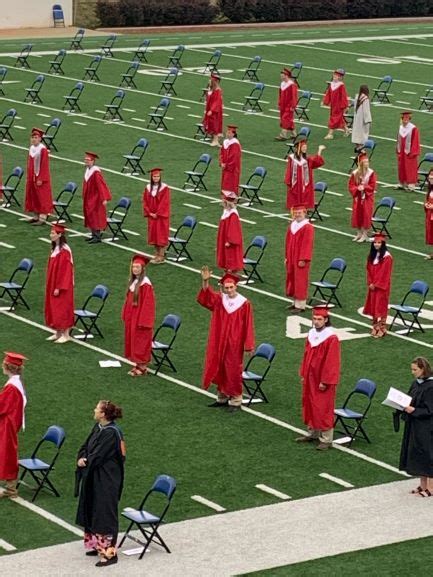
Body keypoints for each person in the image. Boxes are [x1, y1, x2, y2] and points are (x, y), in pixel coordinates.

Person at [197, 268, 255, 412]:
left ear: (236, 286)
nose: (229, 290)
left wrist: (248, 345)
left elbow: (248, 325)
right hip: (218, 340)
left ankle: (236, 399)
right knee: (220, 367)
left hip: (234, 343)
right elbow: (205, 298)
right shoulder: (220, 300)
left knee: (233, 369)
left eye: (231, 287)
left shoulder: (244, 303)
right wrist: (205, 281)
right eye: (226, 288)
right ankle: (222, 397)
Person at [75, 400, 125, 567]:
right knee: (92, 508)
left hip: (107, 479)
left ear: (103, 414)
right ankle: (96, 545)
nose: (94, 410)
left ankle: (109, 553)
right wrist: (81, 457)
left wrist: (86, 461)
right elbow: (86, 446)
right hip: (94, 476)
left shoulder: (111, 433)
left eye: (97, 409)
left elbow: (98, 455)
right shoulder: (99, 428)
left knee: (104, 513)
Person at [297, 307, 341, 450]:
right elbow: (305, 355)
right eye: (314, 319)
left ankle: (326, 439)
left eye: (319, 319)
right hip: (310, 376)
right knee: (310, 403)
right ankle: (313, 432)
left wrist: (325, 381)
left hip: (321, 379)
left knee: (323, 407)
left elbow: (332, 362)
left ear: (326, 320)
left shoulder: (331, 338)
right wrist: (303, 373)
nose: (316, 322)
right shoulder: (311, 334)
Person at [398, 357, 433, 497]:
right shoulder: (416, 383)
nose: (412, 372)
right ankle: (423, 485)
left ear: (423, 369)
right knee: (417, 453)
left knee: (428, 454)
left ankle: (431, 487)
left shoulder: (431, 387)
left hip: (427, 427)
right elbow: (409, 398)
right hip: (415, 424)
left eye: (415, 369)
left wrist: (414, 411)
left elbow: (430, 410)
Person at [121, 254, 155, 377]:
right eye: (133, 267)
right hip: (133, 316)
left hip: (140, 318)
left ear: (143, 268)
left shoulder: (145, 284)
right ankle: (138, 364)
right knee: (134, 340)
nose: (135, 269)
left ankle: (143, 367)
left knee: (140, 341)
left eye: (137, 267)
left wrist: (143, 321)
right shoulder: (134, 282)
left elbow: (148, 304)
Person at [0, 352, 27, 499]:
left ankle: (11, 489)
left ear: (7, 367)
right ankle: (10, 488)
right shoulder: (15, 383)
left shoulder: (12, 387)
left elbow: (2, 406)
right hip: (9, 423)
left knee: (7, 454)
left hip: (7, 425)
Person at [45, 224, 74, 344]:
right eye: (51, 233)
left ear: (59, 235)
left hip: (62, 286)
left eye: (53, 233)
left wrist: (58, 287)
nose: (51, 235)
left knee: (63, 308)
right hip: (53, 282)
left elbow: (65, 271)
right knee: (54, 307)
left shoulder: (64, 251)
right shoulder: (55, 248)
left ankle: (66, 334)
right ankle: (57, 332)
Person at [363, 233, 393, 338]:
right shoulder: (372, 256)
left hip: (382, 286)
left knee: (381, 306)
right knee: (373, 305)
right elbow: (368, 269)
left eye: (379, 242)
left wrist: (376, 284)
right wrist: (370, 282)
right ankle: (375, 326)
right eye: (375, 242)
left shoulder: (387, 257)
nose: (376, 244)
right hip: (372, 286)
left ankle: (382, 327)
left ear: (383, 244)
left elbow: (384, 273)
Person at [285, 205, 314, 313]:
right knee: (292, 278)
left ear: (304, 213)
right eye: (296, 213)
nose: (297, 215)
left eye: (299, 213)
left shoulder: (308, 227)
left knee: (300, 280)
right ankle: (295, 302)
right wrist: (287, 256)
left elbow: (307, 244)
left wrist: (303, 259)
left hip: (300, 258)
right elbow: (287, 242)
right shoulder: (292, 225)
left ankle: (301, 305)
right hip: (291, 257)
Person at [285, 137, 325, 211]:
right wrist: (288, 181)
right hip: (295, 184)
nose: (305, 149)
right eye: (303, 147)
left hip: (305, 184)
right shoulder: (292, 158)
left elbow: (317, 161)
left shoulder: (307, 159)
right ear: (299, 148)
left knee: (304, 199)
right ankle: (294, 217)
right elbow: (289, 170)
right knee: (294, 200)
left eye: (306, 147)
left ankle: (303, 216)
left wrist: (319, 150)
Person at [25, 127, 53, 225]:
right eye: (32, 137)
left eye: (36, 137)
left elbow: (44, 165)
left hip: (40, 177)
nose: (34, 139)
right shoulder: (32, 148)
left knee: (42, 196)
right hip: (32, 176)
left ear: (40, 138)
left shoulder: (43, 149)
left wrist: (41, 178)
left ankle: (43, 217)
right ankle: (35, 215)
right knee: (33, 196)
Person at [82, 152, 112, 244]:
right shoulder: (88, 170)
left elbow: (101, 186)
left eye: (88, 160)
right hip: (89, 197)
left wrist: (104, 198)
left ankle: (97, 236)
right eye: (85, 160)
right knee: (90, 215)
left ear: (93, 161)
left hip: (96, 198)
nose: (86, 161)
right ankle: (93, 234)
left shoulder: (96, 173)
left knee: (95, 216)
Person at [143, 168, 170, 264]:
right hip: (152, 216)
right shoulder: (148, 188)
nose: (156, 178)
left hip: (161, 217)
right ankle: (156, 254)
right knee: (154, 236)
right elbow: (145, 201)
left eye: (158, 176)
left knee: (161, 236)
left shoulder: (164, 188)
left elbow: (164, 203)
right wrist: (149, 212)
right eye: (154, 176)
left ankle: (161, 256)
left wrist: (157, 213)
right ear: (151, 177)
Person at [348, 153, 377, 242]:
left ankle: (365, 234)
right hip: (358, 197)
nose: (367, 164)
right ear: (361, 163)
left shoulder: (371, 173)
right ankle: (359, 233)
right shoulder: (355, 173)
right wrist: (357, 188)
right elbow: (351, 185)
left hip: (367, 198)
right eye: (365, 162)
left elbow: (373, 185)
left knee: (366, 215)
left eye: (367, 162)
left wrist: (364, 187)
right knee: (357, 215)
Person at [216, 191, 244, 273]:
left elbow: (234, 229)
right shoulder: (227, 211)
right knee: (225, 260)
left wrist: (229, 241)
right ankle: (226, 276)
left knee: (230, 260)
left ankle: (230, 277)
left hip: (230, 242)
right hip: (224, 239)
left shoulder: (233, 214)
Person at [322, 69, 350, 140]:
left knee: (334, 118)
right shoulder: (332, 84)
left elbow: (344, 96)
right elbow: (328, 94)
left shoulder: (341, 85)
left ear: (340, 77)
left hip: (339, 105)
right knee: (339, 119)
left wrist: (345, 106)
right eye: (334, 75)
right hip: (333, 105)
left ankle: (330, 134)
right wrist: (325, 101)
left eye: (336, 75)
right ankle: (347, 130)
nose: (334, 76)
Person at [396, 111, 420, 191]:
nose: (405, 120)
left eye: (407, 118)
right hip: (401, 151)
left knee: (410, 167)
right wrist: (398, 149)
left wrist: (413, 152)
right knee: (401, 166)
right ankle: (402, 183)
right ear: (402, 119)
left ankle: (411, 185)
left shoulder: (413, 128)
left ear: (409, 119)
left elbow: (415, 141)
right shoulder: (400, 127)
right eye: (404, 118)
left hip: (409, 152)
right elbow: (398, 138)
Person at [275, 67, 298, 141]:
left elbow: (294, 96)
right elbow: (280, 95)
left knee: (285, 118)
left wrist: (293, 106)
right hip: (283, 105)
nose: (281, 76)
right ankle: (294, 134)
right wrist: (279, 104)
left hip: (289, 105)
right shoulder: (282, 84)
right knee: (286, 119)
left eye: (282, 75)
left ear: (286, 75)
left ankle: (283, 135)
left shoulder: (292, 85)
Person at [220, 125, 242, 197]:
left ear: (233, 134)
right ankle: (225, 199)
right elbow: (221, 153)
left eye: (229, 133)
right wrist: (221, 162)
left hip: (232, 168)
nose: (227, 134)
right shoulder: (225, 141)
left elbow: (234, 157)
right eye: (227, 132)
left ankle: (231, 200)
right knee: (225, 183)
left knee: (231, 183)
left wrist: (226, 165)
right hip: (225, 167)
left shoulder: (235, 143)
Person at [203, 73, 223, 147]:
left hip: (215, 111)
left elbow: (217, 102)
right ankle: (215, 140)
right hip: (210, 109)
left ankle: (215, 140)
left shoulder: (218, 90)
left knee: (214, 125)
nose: (209, 81)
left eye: (211, 80)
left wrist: (212, 110)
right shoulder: (211, 89)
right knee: (211, 124)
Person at [351, 85, 372, 152]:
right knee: (363, 133)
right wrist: (369, 120)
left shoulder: (357, 97)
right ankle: (361, 148)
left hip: (357, 118)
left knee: (357, 132)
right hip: (363, 119)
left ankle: (357, 146)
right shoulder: (365, 98)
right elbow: (366, 111)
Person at [424, 169, 433, 260]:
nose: (430, 177)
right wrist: (426, 204)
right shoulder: (430, 188)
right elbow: (428, 199)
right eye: (430, 175)